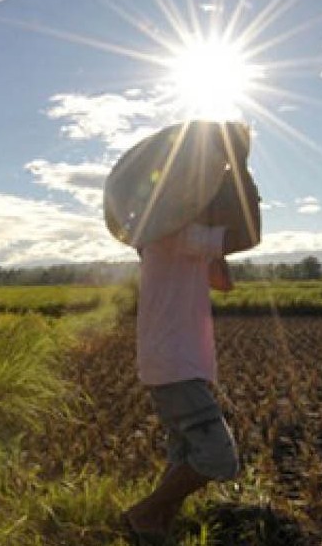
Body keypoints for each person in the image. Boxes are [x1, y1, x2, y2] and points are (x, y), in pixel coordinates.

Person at [123, 125, 260, 544]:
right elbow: (251, 235)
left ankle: (154, 529)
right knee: (218, 456)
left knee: (182, 455)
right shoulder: (172, 233)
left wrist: (216, 225)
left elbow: (222, 281)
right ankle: (142, 515)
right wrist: (241, 168)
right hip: (174, 363)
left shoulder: (178, 236)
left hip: (177, 361)